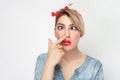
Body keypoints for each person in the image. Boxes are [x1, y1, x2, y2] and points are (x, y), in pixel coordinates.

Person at [34, 3, 104, 80]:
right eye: (61, 27)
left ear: (81, 32)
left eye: (73, 28)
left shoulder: (94, 66)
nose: (67, 34)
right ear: (55, 32)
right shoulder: (42, 60)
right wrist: (49, 65)